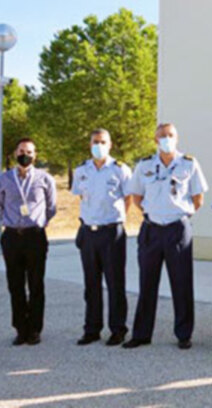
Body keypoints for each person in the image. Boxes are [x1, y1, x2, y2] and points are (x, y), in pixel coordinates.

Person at [123, 123, 207, 350]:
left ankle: (183, 334)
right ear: (155, 140)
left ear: (177, 139)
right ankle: (141, 334)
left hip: (177, 230)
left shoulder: (189, 163)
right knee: (147, 283)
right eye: (162, 136)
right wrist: (153, 212)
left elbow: (198, 198)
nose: (166, 139)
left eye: (170, 135)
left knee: (182, 283)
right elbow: (137, 196)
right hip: (151, 230)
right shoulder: (145, 165)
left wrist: (179, 213)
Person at [71, 129, 132, 346]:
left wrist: (117, 219)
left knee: (115, 283)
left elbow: (128, 198)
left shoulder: (120, 169)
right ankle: (92, 329)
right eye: (95, 142)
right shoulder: (81, 170)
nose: (99, 145)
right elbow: (81, 196)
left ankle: (118, 329)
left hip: (111, 232)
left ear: (110, 144)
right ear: (90, 144)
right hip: (88, 232)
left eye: (103, 142)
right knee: (91, 284)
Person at [0, 138, 57, 345]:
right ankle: (20, 329)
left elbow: (51, 207)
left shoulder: (45, 178)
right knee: (15, 285)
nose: (25, 155)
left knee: (36, 284)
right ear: (15, 153)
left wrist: (39, 222)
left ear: (35, 155)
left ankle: (34, 329)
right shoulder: (4, 178)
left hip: (35, 236)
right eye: (22, 151)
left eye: (30, 152)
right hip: (12, 236)